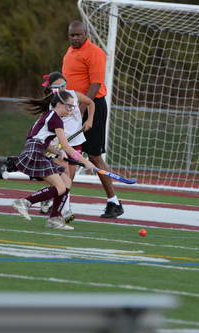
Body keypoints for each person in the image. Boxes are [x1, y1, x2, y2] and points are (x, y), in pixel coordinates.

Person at [62, 20, 124, 218]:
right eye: (72, 35)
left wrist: (79, 111)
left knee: (94, 156)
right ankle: (59, 198)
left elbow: (95, 85)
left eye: (79, 35)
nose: (75, 38)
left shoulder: (95, 52)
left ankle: (114, 202)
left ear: (85, 33)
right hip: (72, 107)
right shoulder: (70, 52)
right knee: (66, 154)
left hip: (91, 107)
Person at [11, 89, 96, 230]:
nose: (71, 109)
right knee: (60, 187)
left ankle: (54, 219)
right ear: (59, 104)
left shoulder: (51, 116)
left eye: (72, 106)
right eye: (68, 106)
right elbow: (68, 147)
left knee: (67, 182)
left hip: (38, 149)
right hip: (35, 152)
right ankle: (24, 202)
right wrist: (87, 162)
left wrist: (58, 151)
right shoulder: (55, 119)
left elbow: (43, 140)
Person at [39, 72, 95, 222]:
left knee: (70, 178)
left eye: (64, 85)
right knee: (64, 178)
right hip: (61, 144)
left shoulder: (73, 95)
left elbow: (91, 103)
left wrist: (89, 120)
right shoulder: (53, 104)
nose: (62, 89)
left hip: (76, 142)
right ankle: (65, 211)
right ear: (51, 89)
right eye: (58, 87)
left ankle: (51, 199)